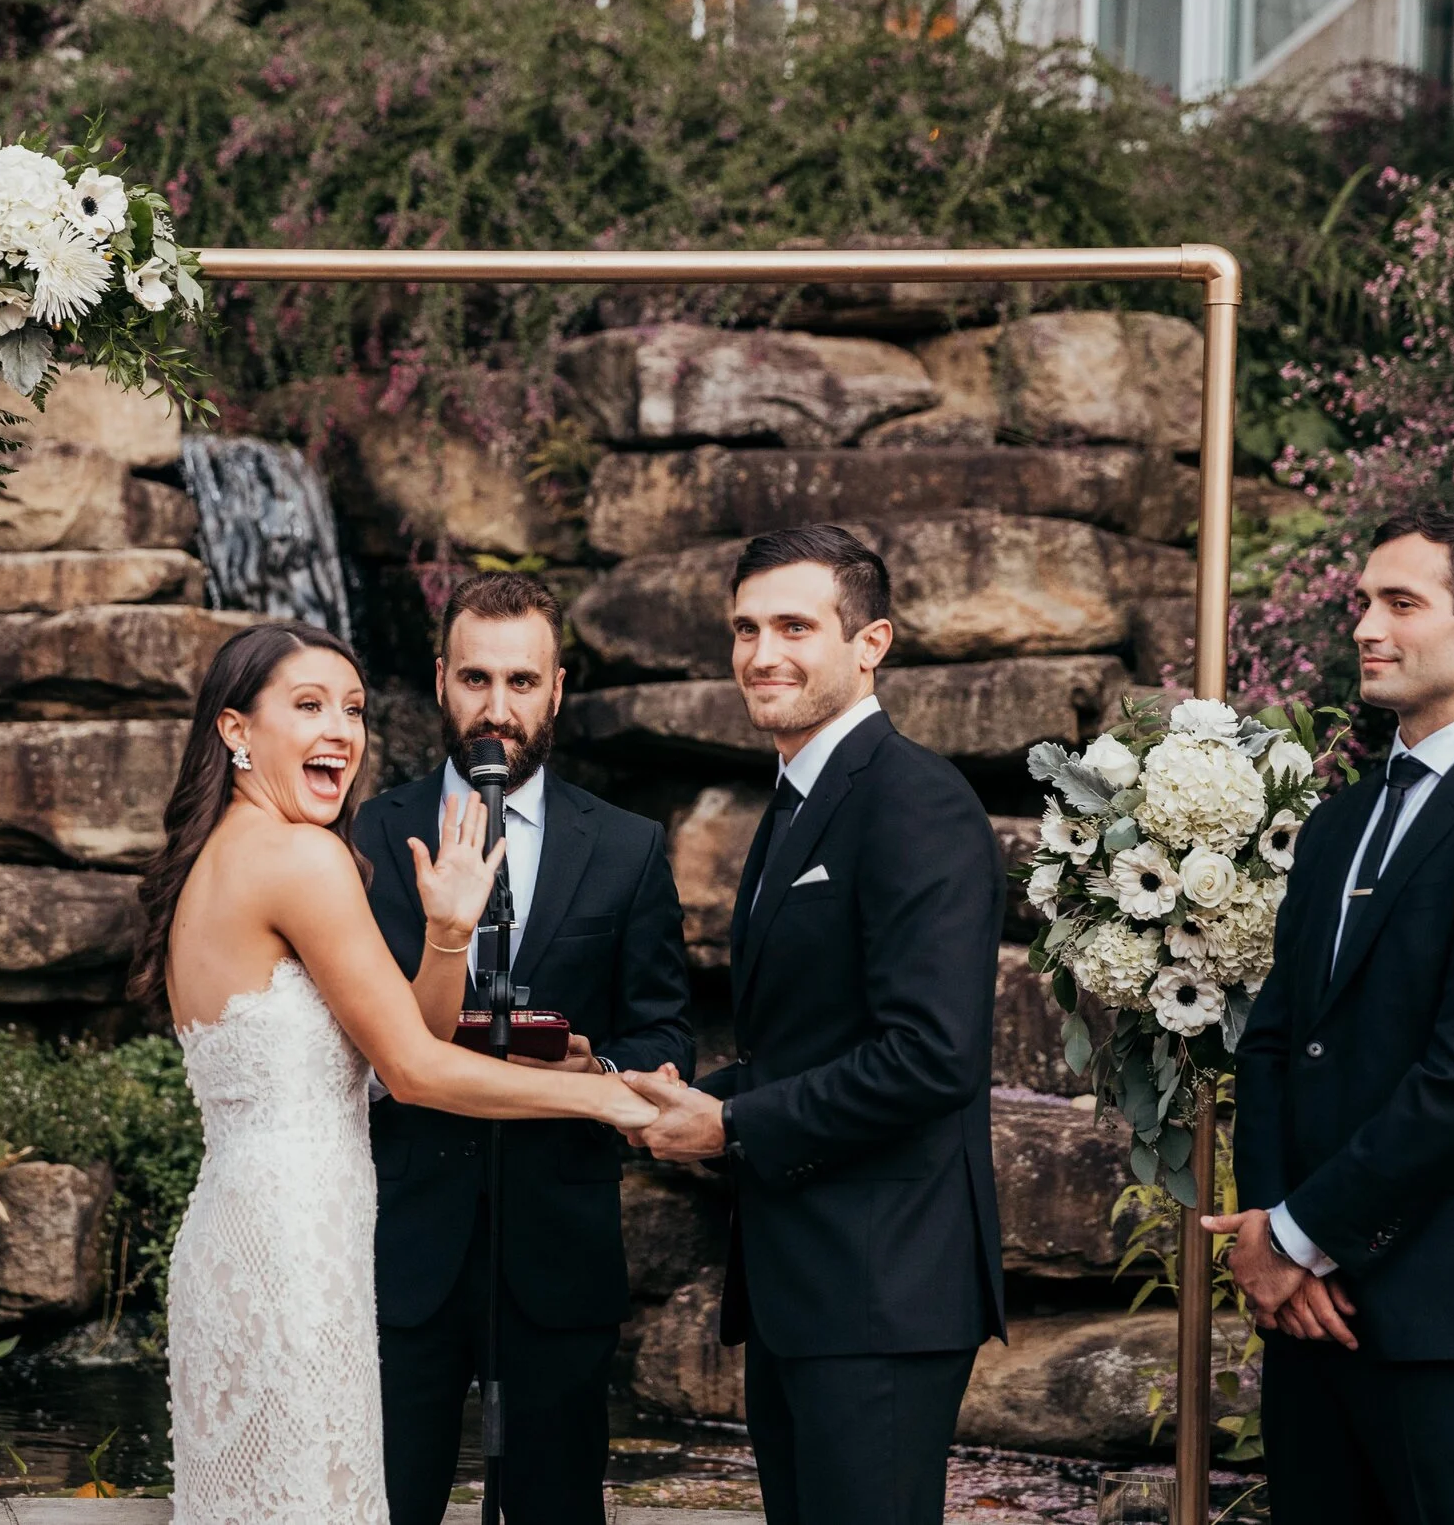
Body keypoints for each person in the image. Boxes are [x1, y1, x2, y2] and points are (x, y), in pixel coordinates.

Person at [134, 619, 664, 1525]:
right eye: (308, 706)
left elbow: (401, 1037)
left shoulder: (213, 858)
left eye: (353, 709)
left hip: (238, 1236)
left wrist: (448, 934)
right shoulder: (303, 856)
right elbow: (415, 1069)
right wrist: (604, 1095)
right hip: (297, 1251)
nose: (340, 730)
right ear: (235, 729)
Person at [1204, 506, 1454, 1525]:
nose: (1364, 626)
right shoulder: (1339, 819)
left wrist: (1298, 1233)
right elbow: (1275, 1039)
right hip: (1309, 1317)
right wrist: (1274, 1233)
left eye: (1399, 602)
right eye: (1362, 602)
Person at [624, 524, 1007, 1525]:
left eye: (794, 626)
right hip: (807, 1286)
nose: (762, 653)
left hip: (882, 1286)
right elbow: (803, 1046)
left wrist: (729, 1126)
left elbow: (931, 1055)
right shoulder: (799, 797)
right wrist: (670, 1097)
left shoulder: (916, 799)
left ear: (870, 642)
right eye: (746, 628)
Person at [350, 573, 692, 1525]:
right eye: (474, 679)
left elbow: (667, 1029)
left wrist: (601, 1069)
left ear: (558, 689)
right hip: (400, 1244)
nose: (496, 707)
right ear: (439, 680)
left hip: (559, 1248)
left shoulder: (627, 846)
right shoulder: (368, 832)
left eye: (521, 681)